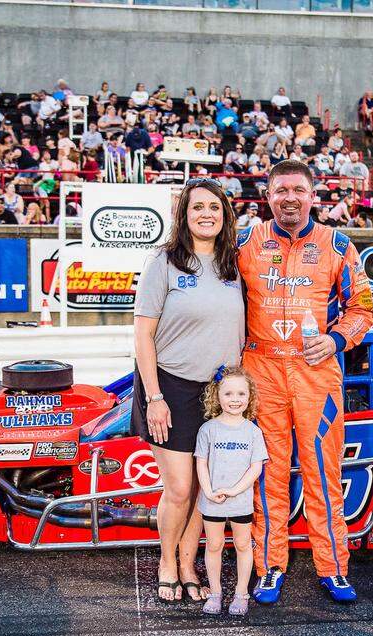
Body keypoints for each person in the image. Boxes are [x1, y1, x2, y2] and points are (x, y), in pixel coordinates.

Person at [237, 160, 373, 604]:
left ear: (313, 196)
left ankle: (333, 568)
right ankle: (269, 568)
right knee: (266, 474)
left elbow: (363, 308)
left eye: (298, 190)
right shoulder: (245, 242)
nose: (290, 198)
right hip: (261, 371)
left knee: (323, 472)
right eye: (281, 190)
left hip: (316, 371)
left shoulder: (337, 244)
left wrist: (336, 340)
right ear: (268, 196)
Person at [133, 178, 245, 603]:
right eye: (198, 207)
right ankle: (167, 562)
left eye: (214, 207)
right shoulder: (164, 262)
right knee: (179, 488)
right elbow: (143, 335)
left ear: (225, 215)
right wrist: (155, 397)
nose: (206, 214)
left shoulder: (233, 265)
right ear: (184, 215)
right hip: (170, 388)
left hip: (218, 393)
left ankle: (187, 561)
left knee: (202, 488)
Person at [195, 367, 266, 617]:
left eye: (241, 394)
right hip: (212, 500)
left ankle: (241, 593)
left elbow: (256, 467)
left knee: (243, 544)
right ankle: (215, 592)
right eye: (228, 394)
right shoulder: (208, 429)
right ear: (217, 395)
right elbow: (201, 463)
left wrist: (235, 490)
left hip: (240, 501)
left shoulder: (253, 431)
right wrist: (208, 491)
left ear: (249, 396)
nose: (235, 399)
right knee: (214, 545)